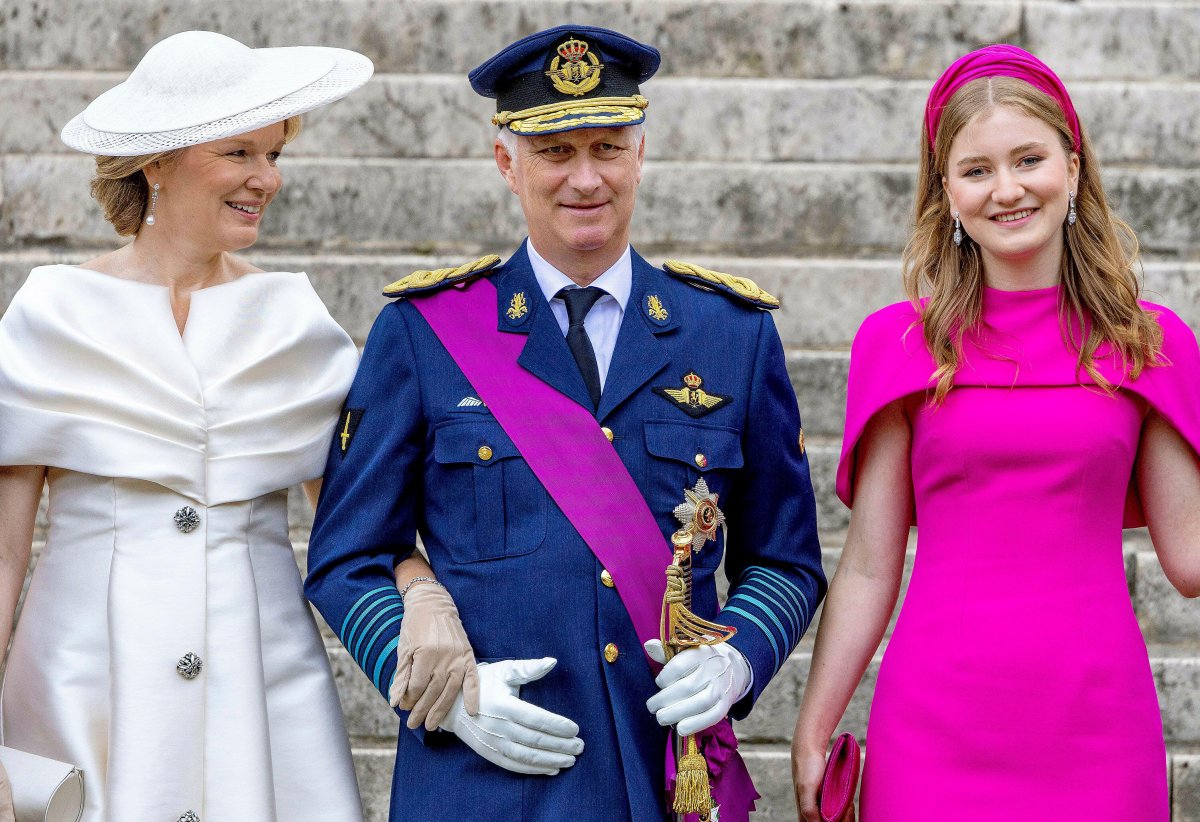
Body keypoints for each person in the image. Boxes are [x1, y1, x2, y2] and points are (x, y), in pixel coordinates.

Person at [305, 24, 826, 822]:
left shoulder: (731, 334)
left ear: (642, 155)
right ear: (505, 163)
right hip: (480, 782)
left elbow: (786, 560)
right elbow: (347, 555)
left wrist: (737, 661)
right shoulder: (426, 332)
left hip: (660, 776)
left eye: (608, 147)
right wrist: (449, 696)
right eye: (555, 152)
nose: (586, 179)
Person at [791, 45, 1200, 822]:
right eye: (976, 170)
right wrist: (812, 728)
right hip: (932, 726)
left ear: (1072, 169)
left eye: (1029, 159)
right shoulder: (899, 344)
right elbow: (872, 566)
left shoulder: (1151, 345)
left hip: (1098, 727)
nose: (1007, 189)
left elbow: (1188, 559)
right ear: (945, 191)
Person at [0, 30, 389, 821]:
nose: (267, 178)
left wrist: (425, 610)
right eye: (240, 152)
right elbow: (5, 552)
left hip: (263, 691)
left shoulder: (293, 319)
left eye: (274, 153)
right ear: (156, 161)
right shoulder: (53, 312)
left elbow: (358, 533)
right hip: (88, 687)